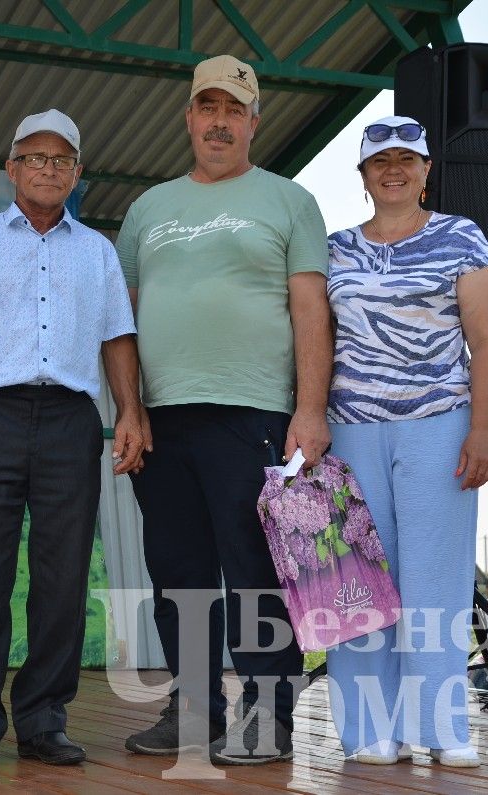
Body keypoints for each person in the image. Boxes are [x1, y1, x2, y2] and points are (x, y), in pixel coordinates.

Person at [0, 109, 146, 767]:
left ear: (76, 173)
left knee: (62, 577)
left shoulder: (97, 250)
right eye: (35, 158)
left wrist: (130, 411)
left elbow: (117, 339)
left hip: (71, 420)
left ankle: (44, 719)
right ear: (12, 168)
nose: (48, 169)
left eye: (61, 160)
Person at [117, 54, 333, 765]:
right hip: (163, 417)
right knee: (178, 569)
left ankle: (269, 712)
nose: (219, 121)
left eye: (233, 110)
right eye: (207, 108)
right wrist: (130, 408)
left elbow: (310, 309)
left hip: (257, 415)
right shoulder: (149, 208)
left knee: (253, 570)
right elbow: (124, 318)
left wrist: (310, 409)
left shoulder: (288, 199)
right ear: (188, 117)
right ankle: (195, 709)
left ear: (253, 122)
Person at [323, 115, 488, 768]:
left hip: (440, 424)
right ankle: (369, 729)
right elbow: (316, 342)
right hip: (349, 428)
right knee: (360, 583)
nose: (393, 169)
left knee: (437, 577)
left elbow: (487, 341)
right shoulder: (334, 248)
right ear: (365, 174)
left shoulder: (461, 237)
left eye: (407, 158)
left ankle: (442, 726)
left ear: (427, 170)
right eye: (380, 160)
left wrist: (482, 428)